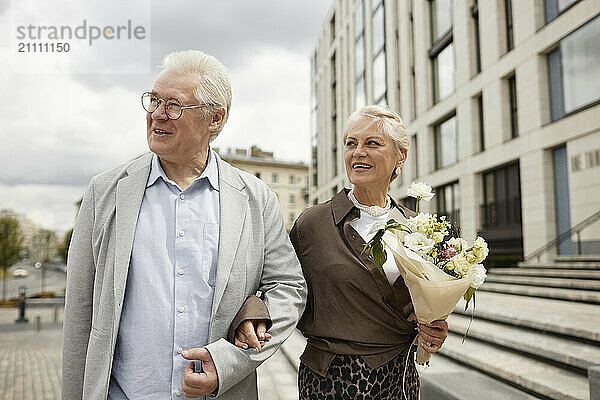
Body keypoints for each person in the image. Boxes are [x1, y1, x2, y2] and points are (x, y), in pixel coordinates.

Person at [62, 49, 306, 400]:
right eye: (154, 101)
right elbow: (80, 313)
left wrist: (228, 361)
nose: (157, 114)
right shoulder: (105, 193)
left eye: (173, 105)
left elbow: (288, 287)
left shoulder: (256, 198)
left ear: (215, 118)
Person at [235, 105, 449, 399]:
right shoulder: (312, 224)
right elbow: (267, 280)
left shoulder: (417, 227)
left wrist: (432, 331)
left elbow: (422, 306)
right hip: (331, 380)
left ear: (401, 156)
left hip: (400, 378)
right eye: (351, 143)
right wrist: (252, 316)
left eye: (372, 143)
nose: (358, 152)